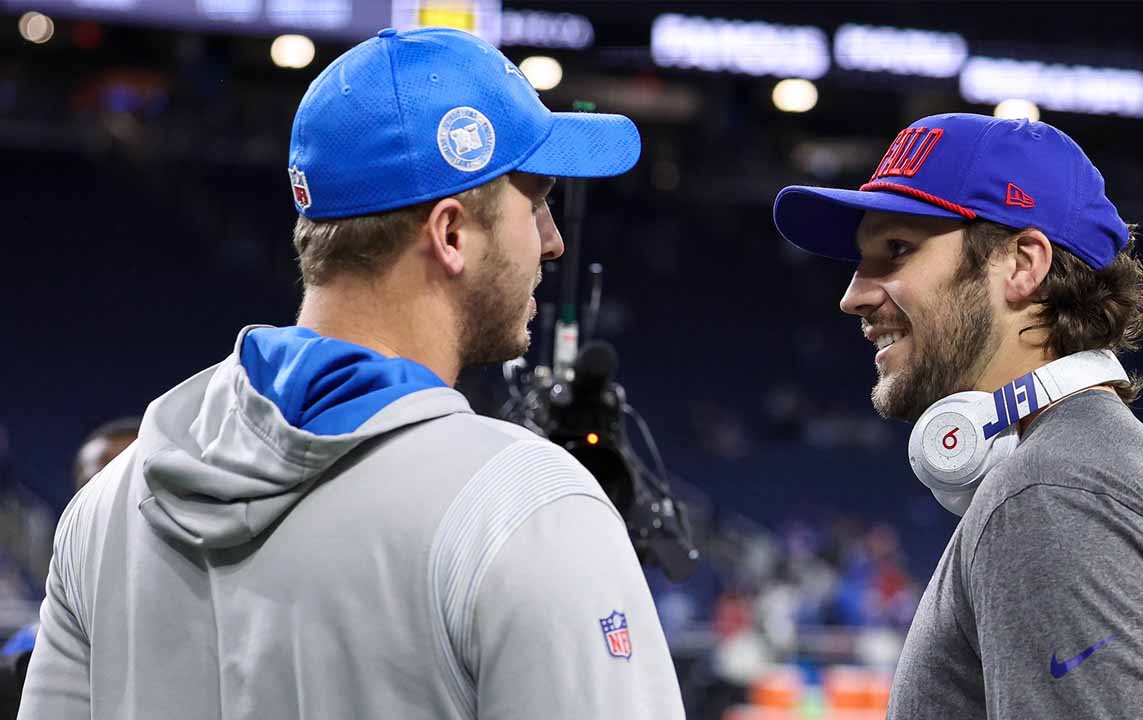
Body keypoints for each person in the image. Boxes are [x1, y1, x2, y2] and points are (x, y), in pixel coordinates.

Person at [19, 27, 684, 719]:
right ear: (451, 234)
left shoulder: (106, 508)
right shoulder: (527, 508)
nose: (552, 241)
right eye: (535, 200)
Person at [773, 113, 1143, 718]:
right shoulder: (1105, 468)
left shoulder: (1055, 491)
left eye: (897, 250)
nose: (852, 294)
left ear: (1022, 263)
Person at [1, 417, 140, 720]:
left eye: (131, 483)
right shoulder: (29, 651)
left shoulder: (221, 613)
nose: (112, 503)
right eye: (95, 485)